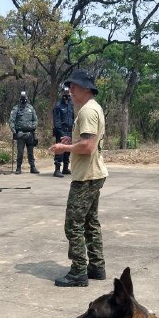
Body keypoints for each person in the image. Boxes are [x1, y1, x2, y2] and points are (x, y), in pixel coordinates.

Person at [49, 70, 108, 287]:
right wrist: (71, 139)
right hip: (94, 173)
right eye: (70, 87)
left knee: (73, 224)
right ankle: (96, 266)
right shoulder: (92, 108)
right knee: (90, 222)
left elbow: (87, 146)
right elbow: (85, 140)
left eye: (74, 87)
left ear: (86, 88)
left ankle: (78, 271)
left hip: (86, 176)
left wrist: (64, 147)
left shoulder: (87, 111)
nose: (70, 91)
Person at [9, 90, 39, 174]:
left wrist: (33, 127)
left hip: (30, 133)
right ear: (20, 99)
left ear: (27, 98)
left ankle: (32, 167)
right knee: (20, 152)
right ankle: (18, 168)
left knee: (30, 151)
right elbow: (11, 121)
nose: (24, 100)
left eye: (24, 98)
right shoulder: (16, 108)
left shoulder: (31, 108)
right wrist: (14, 131)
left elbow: (35, 120)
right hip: (20, 133)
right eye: (22, 98)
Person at [52, 86, 75, 177]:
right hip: (61, 132)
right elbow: (56, 121)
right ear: (62, 94)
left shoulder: (71, 105)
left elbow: (73, 118)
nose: (67, 95)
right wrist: (61, 134)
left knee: (68, 151)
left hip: (70, 131)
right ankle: (57, 170)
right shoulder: (58, 106)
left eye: (68, 93)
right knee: (60, 150)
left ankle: (65, 168)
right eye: (65, 93)